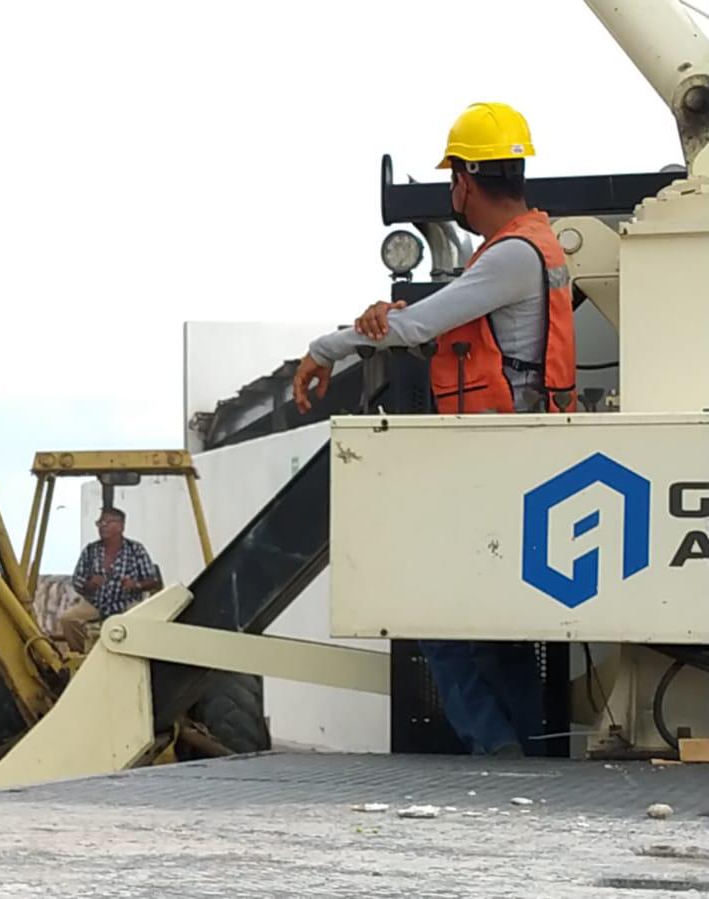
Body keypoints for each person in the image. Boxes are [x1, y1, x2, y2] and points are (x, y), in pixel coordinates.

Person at [291, 101, 578, 757]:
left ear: (462, 183)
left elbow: (418, 325)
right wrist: (384, 324)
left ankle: (499, 750)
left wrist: (329, 345)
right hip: (521, 452)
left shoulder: (508, 256)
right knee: (496, 625)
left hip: (500, 459)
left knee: (438, 617)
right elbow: (458, 337)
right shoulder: (533, 244)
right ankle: (524, 754)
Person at [60, 507, 161, 653]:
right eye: (100, 522)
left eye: (107, 522)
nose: (102, 526)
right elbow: (77, 580)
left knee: (140, 624)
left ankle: (132, 658)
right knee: (68, 620)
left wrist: (136, 584)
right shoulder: (90, 550)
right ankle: (85, 656)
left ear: (121, 526)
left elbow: (154, 581)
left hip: (126, 603)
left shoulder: (136, 549)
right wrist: (89, 584)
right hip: (95, 604)